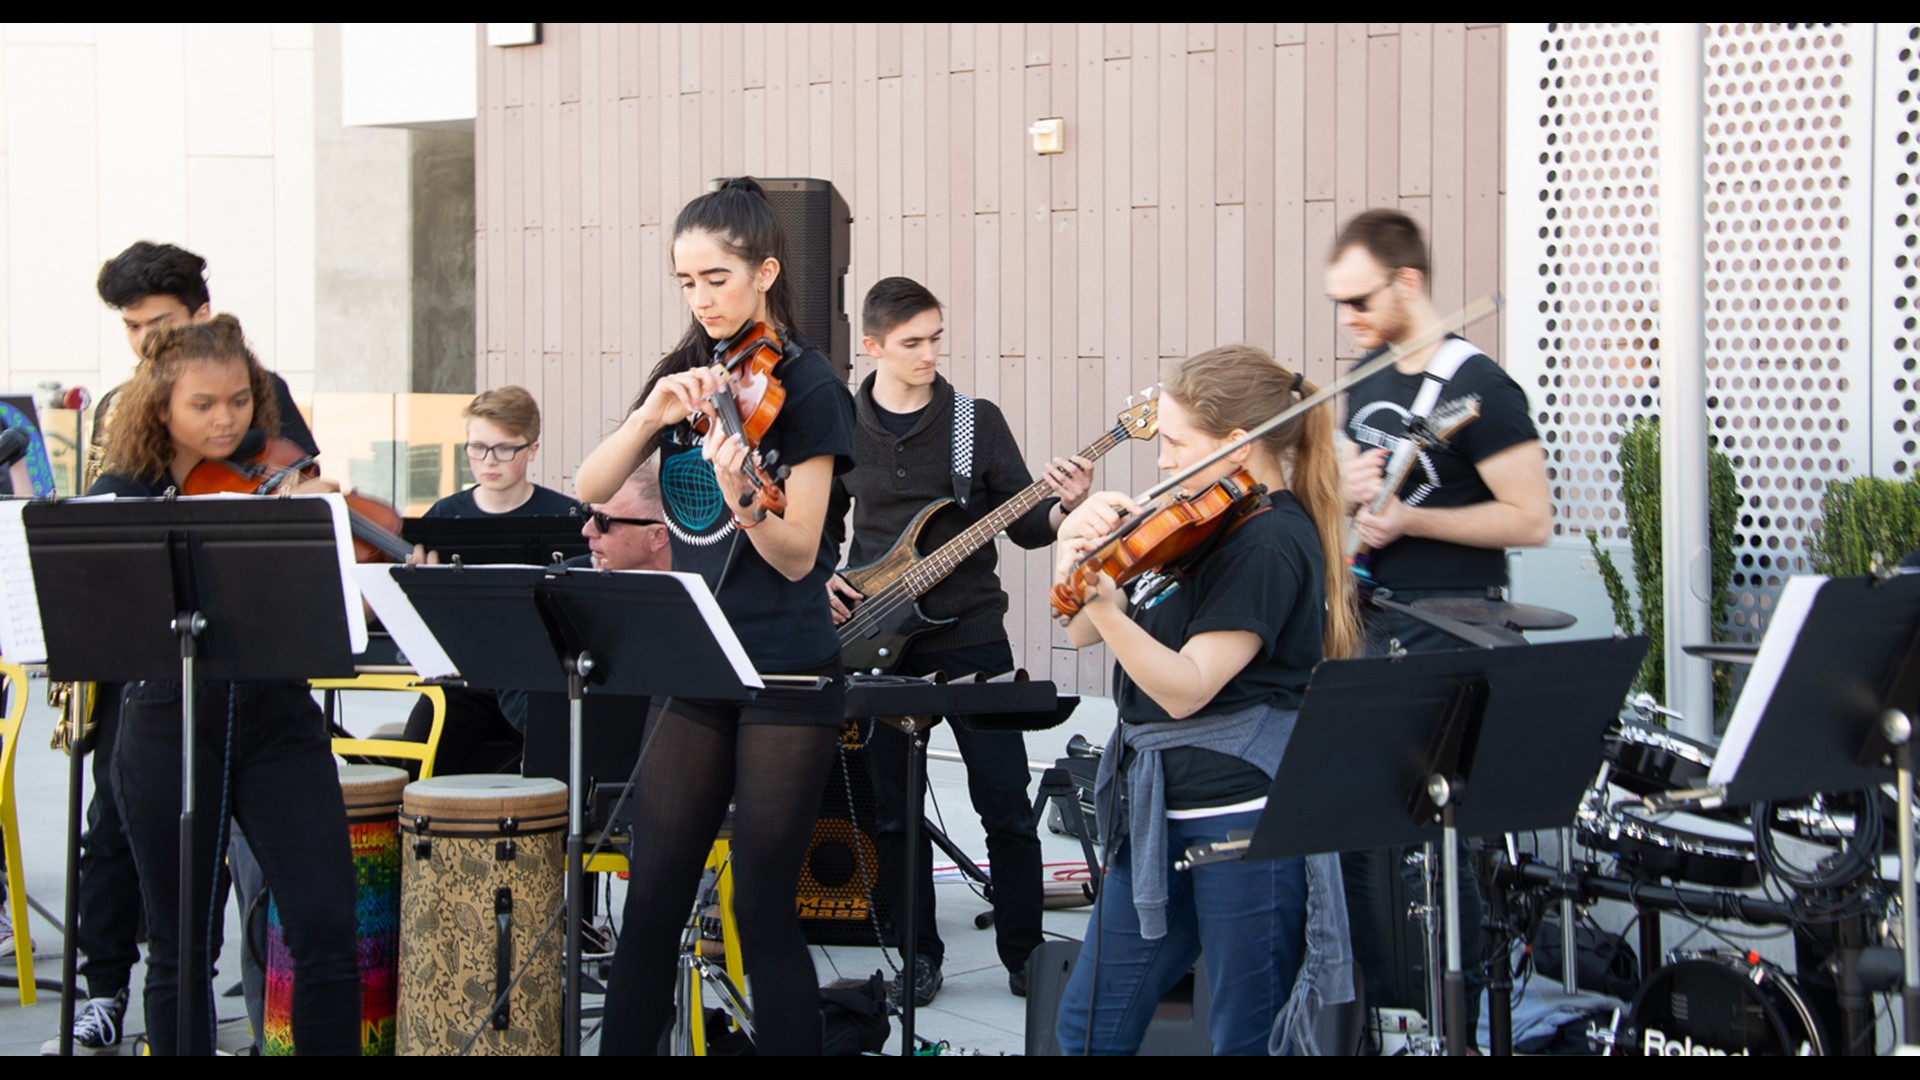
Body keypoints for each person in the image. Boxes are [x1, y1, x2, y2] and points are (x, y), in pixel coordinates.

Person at [576, 177, 856, 1056]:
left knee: (759, 900)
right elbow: (588, 489)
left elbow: (797, 554)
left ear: (765, 271)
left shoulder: (810, 388)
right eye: (686, 282)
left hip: (785, 669)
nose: (701, 299)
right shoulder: (685, 377)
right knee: (655, 891)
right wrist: (649, 418)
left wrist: (742, 494)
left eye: (717, 279)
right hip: (697, 660)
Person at [48, 240, 322, 1055]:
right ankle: (104, 986)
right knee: (117, 831)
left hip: (251, 676)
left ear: (202, 316)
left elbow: (289, 474)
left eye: (158, 323)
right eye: (132, 328)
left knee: (258, 873)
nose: (143, 343)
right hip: (151, 671)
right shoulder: (124, 406)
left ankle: (245, 983)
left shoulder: (254, 391)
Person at [1049, 344, 1357, 1056]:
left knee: (1246, 1037)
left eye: (1178, 445)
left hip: (1243, 822)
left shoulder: (1272, 541)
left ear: (1237, 443)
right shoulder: (1197, 523)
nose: (1161, 463)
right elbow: (1081, 627)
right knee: (1088, 1027)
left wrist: (1113, 610)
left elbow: (1187, 688)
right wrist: (1074, 547)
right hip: (1160, 811)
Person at [86, 316, 359, 1056]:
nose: (227, 418)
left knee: (327, 925)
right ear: (161, 407)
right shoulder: (121, 495)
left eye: (240, 400)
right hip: (168, 717)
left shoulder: (275, 477)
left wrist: (320, 534)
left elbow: (327, 612)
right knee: (179, 946)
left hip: (278, 712)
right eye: (203, 404)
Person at [826, 276, 1091, 1003]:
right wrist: (821, 574)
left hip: (973, 636)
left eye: (936, 338)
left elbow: (1026, 525)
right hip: (877, 634)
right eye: (913, 343)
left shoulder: (976, 421)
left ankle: (1025, 952)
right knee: (891, 809)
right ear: (873, 346)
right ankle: (917, 953)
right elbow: (818, 523)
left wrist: (1067, 506)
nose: (929, 354)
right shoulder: (840, 425)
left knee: (1004, 800)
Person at [1331, 208, 1551, 1042]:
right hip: (1374, 626)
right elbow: (1363, 501)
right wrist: (1352, 487)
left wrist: (1413, 525)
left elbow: (1529, 518)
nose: (1347, 319)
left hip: (1455, 630)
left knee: (1448, 848)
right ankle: (1384, 1012)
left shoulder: (1480, 388)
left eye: (1358, 300)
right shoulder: (1369, 376)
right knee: (1362, 836)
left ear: (1408, 281)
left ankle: (1461, 1017)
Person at [397, 462, 671, 775]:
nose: (586, 531)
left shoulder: (697, 590)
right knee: (436, 715)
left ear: (657, 537)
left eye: (603, 522)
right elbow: (513, 676)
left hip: (623, 734)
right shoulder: (565, 578)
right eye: (587, 515)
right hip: (543, 714)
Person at [423, 386, 578, 518]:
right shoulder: (443, 514)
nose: (489, 460)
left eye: (504, 448)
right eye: (478, 447)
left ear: (531, 450)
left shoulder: (568, 515)